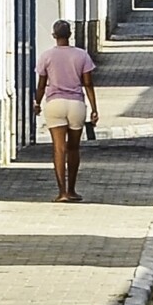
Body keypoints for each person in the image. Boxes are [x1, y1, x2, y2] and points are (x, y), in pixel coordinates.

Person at [37, 21, 98, 202]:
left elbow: (41, 85)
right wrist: (94, 108)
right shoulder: (81, 55)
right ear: (70, 34)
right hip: (76, 105)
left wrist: (36, 102)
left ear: (54, 35)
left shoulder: (46, 56)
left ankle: (61, 192)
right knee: (73, 148)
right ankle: (72, 190)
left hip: (54, 104)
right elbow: (87, 83)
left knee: (58, 149)